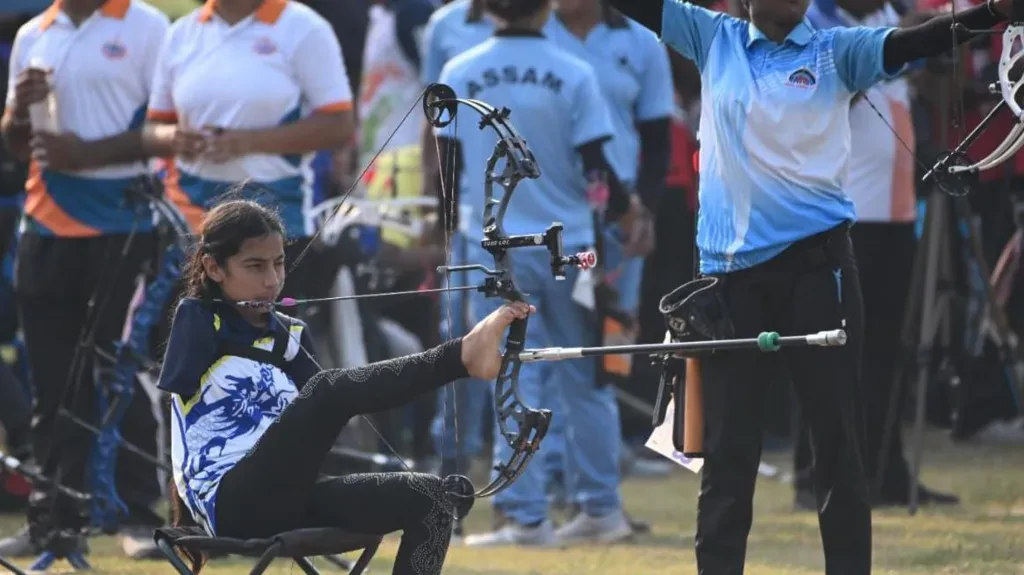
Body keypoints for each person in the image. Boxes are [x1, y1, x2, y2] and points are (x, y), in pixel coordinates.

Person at [607, 0, 1017, 572]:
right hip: (730, 279)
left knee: (840, 448)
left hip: (819, 270)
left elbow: (909, 43)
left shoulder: (835, 49)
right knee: (728, 456)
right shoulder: (712, 36)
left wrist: (992, 13)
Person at [159, 198, 531, 575]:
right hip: (232, 505)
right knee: (325, 390)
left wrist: (275, 330)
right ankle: (460, 358)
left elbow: (323, 421)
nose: (271, 281)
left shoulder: (289, 333)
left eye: (278, 263)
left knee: (430, 497)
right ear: (213, 267)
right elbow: (326, 396)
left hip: (292, 496)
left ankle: (461, 359)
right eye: (254, 266)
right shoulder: (199, 320)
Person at [435, 0, 648, 547]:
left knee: (509, 373)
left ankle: (526, 517)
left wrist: (447, 231)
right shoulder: (575, 71)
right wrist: (621, 215)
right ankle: (602, 509)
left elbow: (449, 168)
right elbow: (598, 164)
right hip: (572, 248)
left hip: (492, 248)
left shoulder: (461, 70)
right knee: (586, 374)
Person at [0, 0, 170, 559]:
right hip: (44, 230)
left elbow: (169, 130)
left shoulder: (147, 26)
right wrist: (18, 112)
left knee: (117, 373)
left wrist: (88, 153)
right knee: (51, 382)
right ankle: (55, 519)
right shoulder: (34, 32)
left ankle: (141, 516)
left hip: (124, 225)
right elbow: (18, 145)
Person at [795, 0, 960, 510]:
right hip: (846, 217)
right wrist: (906, 39)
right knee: (837, 353)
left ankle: (886, 470)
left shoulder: (888, 16)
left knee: (890, 352)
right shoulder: (817, 20)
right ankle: (816, 475)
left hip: (896, 216)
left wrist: (926, 42)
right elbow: (833, 84)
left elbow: (928, 71)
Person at [541, 0, 672, 538]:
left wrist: (645, 211)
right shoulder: (530, 32)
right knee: (548, 353)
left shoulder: (639, 39)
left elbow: (659, 135)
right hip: (548, 220)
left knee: (612, 346)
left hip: (618, 221)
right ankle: (551, 475)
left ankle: (599, 468)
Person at [143, 0, 355, 303]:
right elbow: (154, 128)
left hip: (276, 220)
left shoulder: (304, 28)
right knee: (188, 340)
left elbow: (339, 124)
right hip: (192, 220)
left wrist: (246, 142)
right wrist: (175, 138)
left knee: (267, 343)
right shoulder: (182, 33)